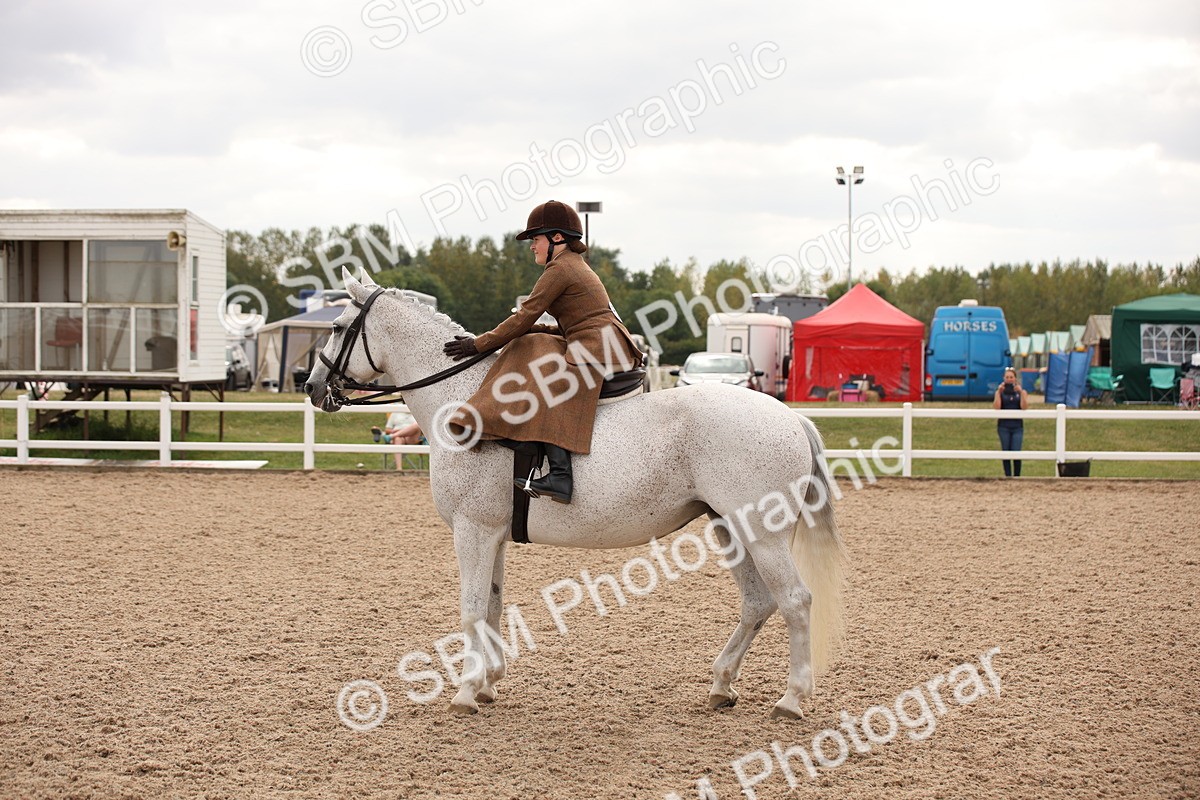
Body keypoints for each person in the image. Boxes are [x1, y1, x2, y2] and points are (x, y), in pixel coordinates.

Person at [442, 200, 644, 504]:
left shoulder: (560, 268)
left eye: (535, 239)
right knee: (531, 343)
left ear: (557, 238)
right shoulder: (570, 266)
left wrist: (476, 344)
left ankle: (561, 476)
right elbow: (565, 325)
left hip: (600, 345)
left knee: (547, 381)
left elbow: (524, 317)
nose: (532, 247)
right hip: (597, 340)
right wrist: (536, 333)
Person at [993, 367, 1028, 477]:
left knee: (1016, 450)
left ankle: (1017, 475)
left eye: (1011, 377)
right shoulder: (1000, 392)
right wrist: (998, 392)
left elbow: (1024, 407)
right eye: (1007, 377)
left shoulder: (1022, 392)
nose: (1009, 379)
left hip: (1017, 426)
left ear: (1015, 379)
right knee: (1006, 450)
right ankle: (1007, 475)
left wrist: (1021, 393)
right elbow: (997, 407)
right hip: (1003, 426)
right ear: (1004, 378)